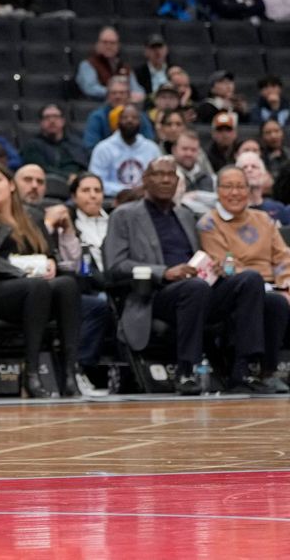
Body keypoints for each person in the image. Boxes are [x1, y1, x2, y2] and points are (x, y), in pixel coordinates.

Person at [104, 157, 262, 394]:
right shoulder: (124, 215)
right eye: (159, 174)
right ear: (145, 179)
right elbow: (115, 266)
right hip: (154, 295)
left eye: (171, 175)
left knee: (250, 279)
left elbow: (198, 257)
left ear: (178, 181)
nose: (166, 180)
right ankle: (186, 371)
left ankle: (244, 370)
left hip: (197, 289)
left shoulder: (186, 215)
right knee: (195, 287)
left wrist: (215, 269)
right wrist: (164, 272)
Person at [0, 163, 83, 398]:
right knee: (36, 286)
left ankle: (70, 373)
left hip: (33, 287)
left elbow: (50, 252)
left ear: (10, 185)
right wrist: (24, 272)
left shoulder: (33, 215)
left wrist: (52, 263)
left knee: (67, 285)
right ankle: (31, 373)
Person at [195, 166, 290, 393]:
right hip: (231, 288)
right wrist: (266, 285)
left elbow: (282, 256)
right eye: (228, 187)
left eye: (240, 187)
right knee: (252, 282)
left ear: (249, 190)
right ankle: (242, 368)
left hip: (270, 286)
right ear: (218, 191)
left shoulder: (264, 219)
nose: (235, 193)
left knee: (277, 302)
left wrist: (286, 282)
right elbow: (224, 264)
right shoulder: (208, 223)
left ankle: (267, 371)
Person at [88, 105, 160, 198]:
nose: (129, 120)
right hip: (111, 199)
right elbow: (95, 182)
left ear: (140, 122)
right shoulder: (103, 148)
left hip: (145, 199)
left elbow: (159, 178)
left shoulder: (152, 149)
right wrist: (126, 191)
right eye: (125, 117)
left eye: (134, 118)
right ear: (118, 122)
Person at [21, 104, 89, 184]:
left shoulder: (76, 144)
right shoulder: (32, 145)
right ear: (41, 122)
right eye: (47, 117)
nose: (52, 121)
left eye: (56, 117)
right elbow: (39, 169)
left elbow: (83, 166)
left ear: (63, 121)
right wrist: (68, 177)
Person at [76, 27, 144, 101]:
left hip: (123, 106)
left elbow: (137, 89)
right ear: (98, 44)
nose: (108, 46)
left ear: (118, 46)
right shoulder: (88, 65)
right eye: (105, 42)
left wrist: (138, 94)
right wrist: (116, 93)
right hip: (98, 104)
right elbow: (90, 88)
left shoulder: (124, 66)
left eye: (112, 43)